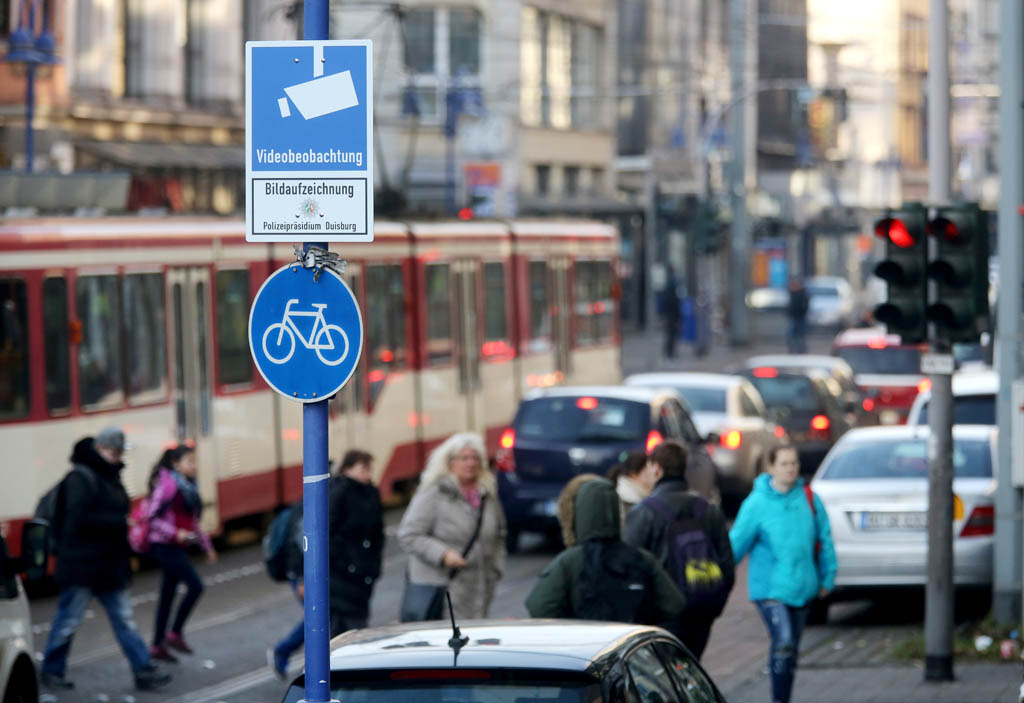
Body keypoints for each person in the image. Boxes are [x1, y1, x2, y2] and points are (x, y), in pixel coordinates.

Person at [40, 426, 172, 692]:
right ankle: (51, 670)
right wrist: (119, 522)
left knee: (123, 619)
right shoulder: (81, 478)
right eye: (114, 452)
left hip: (107, 565)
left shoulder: (107, 475)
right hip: (82, 566)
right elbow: (78, 520)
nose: (118, 457)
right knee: (69, 620)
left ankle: (143, 669)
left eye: (119, 452)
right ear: (100, 449)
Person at [729, 446, 838, 703]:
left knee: (791, 652)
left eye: (794, 463)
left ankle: (783, 696)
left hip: (803, 586)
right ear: (771, 468)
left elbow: (825, 539)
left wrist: (828, 577)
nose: (791, 469)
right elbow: (736, 543)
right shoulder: (756, 503)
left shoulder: (809, 498)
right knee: (784, 642)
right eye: (784, 464)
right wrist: (718, 576)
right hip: (769, 589)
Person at [269, 450, 384, 679]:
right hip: (333, 574)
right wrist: (301, 577)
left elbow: (375, 534)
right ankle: (295, 658)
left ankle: (319, 667)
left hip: (353, 574)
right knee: (324, 619)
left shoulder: (364, 493)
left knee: (326, 619)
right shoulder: (326, 496)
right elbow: (301, 540)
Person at [623, 440, 734, 660]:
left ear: (655, 468)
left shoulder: (644, 512)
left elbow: (628, 565)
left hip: (661, 617)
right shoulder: (708, 509)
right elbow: (727, 566)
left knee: (663, 678)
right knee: (691, 670)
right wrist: (713, 605)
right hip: (702, 609)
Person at [525, 475, 685, 625]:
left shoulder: (569, 561)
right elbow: (674, 605)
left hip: (587, 649)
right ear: (617, 513)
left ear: (579, 513)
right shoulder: (642, 558)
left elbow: (538, 606)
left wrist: (569, 628)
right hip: (630, 646)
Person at [398, 433, 506, 620]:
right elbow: (409, 534)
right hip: (442, 589)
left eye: (475, 458)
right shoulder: (434, 492)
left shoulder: (486, 493)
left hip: (480, 587)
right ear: (449, 462)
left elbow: (500, 533)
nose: (470, 463)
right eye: (464, 458)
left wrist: (496, 568)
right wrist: (443, 554)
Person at [146, 444, 217, 663]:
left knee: (167, 596)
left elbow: (193, 521)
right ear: (176, 464)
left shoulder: (188, 485)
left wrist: (207, 546)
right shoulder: (167, 485)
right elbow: (152, 517)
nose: (194, 466)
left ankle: (157, 645)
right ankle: (174, 633)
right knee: (195, 586)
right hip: (165, 546)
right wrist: (175, 533)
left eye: (195, 461)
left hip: (178, 546)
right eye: (190, 461)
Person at [606, 450, 654, 528]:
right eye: (648, 474)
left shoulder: (641, 496)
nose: (653, 478)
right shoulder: (625, 500)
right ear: (633, 474)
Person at [661, 271, 682, 360]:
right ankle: (669, 353)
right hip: (672, 316)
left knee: (670, 335)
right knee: (671, 335)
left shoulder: (669, 289)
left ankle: (669, 352)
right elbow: (675, 304)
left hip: (670, 315)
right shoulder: (672, 290)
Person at [786, 277, 810, 353]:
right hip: (794, 317)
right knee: (791, 335)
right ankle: (794, 349)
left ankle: (801, 350)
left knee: (800, 335)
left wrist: (802, 313)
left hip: (800, 318)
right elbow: (790, 305)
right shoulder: (793, 293)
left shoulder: (802, 294)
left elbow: (805, 306)